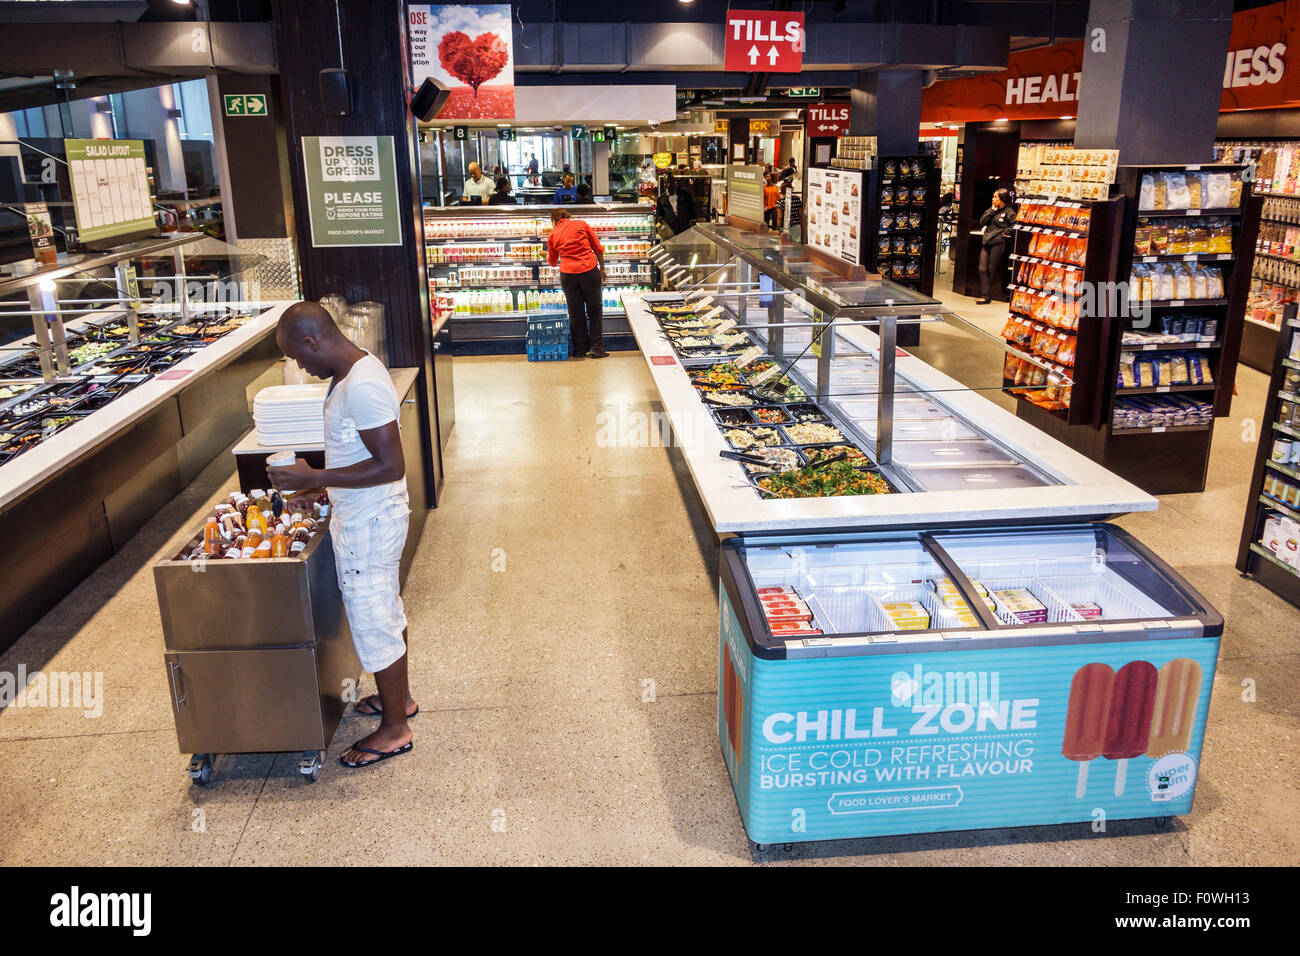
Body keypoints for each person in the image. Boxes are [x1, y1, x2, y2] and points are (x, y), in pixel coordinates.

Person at [267, 302, 415, 769]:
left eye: (297, 356)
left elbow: (391, 465)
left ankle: (395, 729)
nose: (300, 366)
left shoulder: (363, 385)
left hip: (371, 523)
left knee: (374, 616)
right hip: (365, 513)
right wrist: (322, 488)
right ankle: (401, 700)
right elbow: (359, 452)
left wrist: (314, 475)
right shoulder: (354, 370)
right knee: (385, 609)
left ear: (314, 341)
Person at [547, 208, 607, 358]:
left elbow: (553, 262)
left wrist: (546, 255)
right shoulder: (581, 224)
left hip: (568, 275)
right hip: (589, 270)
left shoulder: (553, 235)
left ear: (554, 221)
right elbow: (597, 248)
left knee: (576, 313)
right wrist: (602, 268)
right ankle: (596, 348)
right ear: (567, 216)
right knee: (594, 310)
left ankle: (580, 349)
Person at [976, 187, 1017, 304]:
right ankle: (985, 294)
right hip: (986, 242)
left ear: (1002, 199)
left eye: (996, 197)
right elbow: (982, 222)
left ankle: (986, 295)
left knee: (990, 268)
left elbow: (1015, 225)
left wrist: (1005, 233)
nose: (993, 199)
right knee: (982, 268)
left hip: (998, 243)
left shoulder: (1009, 212)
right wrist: (991, 211)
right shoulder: (991, 210)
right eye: (993, 197)